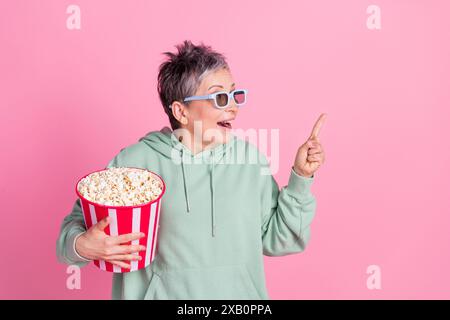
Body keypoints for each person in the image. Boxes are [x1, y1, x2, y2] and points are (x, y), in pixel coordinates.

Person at [56, 40, 326, 299]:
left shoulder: (250, 161)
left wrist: (301, 177)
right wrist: (81, 245)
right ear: (181, 112)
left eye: (234, 94)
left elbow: (280, 239)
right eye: (220, 97)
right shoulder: (135, 163)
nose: (233, 107)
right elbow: (72, 233)